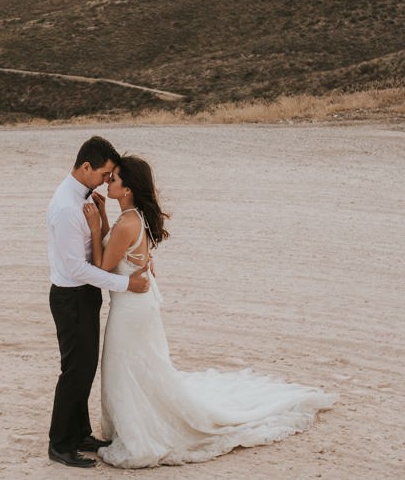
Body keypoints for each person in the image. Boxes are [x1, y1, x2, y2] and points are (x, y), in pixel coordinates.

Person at [82, 154, 336, 468]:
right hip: (137, 308)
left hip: (130, 311)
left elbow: (101, 267)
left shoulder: (127, 223)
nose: (109, 182)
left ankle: (140, 431)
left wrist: (95, 228)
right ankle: (131, 424)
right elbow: (119, 253)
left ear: (128, 189)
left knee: (127, 370)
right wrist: (105, 222)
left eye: (115, 179)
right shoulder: (134, 218)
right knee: (138, 370)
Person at [46, 136, 150, 469]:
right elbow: (79, 267)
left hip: (84, 294)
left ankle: (80, 434)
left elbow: (96, 254)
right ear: (86, 167)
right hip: (70, 296)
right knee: (75, 371)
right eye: (105, 174)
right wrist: (126, 283)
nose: (107, 181)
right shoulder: (65, 207)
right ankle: (60, 444)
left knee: (85, 367)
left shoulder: (85, 199)